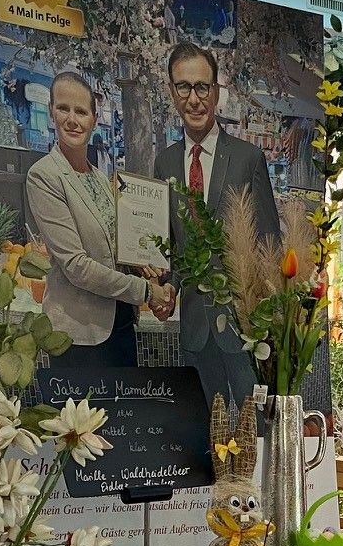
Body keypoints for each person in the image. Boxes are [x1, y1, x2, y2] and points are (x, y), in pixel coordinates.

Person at [154, 42, 281, 414]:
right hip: (194, 324)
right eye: (184, 87)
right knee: (205, 429)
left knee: (252, 427)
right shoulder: (165, 164)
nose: (194, 99)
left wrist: (263, 315)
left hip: (242, 326)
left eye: (202, 87)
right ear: (172, 92)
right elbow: (171, 247)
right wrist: (166, 286)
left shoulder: (247, 159)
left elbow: (269, 243)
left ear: (216, 92)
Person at [24, 70, 174, 369]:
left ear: (94, 119)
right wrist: (147, 291)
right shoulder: (44, 177)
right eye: (63, 108)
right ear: (51, 112)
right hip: (79, 338)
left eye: (81, 111)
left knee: (125, 417)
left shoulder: (102, 180)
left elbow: (119, 250)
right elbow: (77, 268)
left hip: (120, 327)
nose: (72, 119)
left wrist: (150, 270)